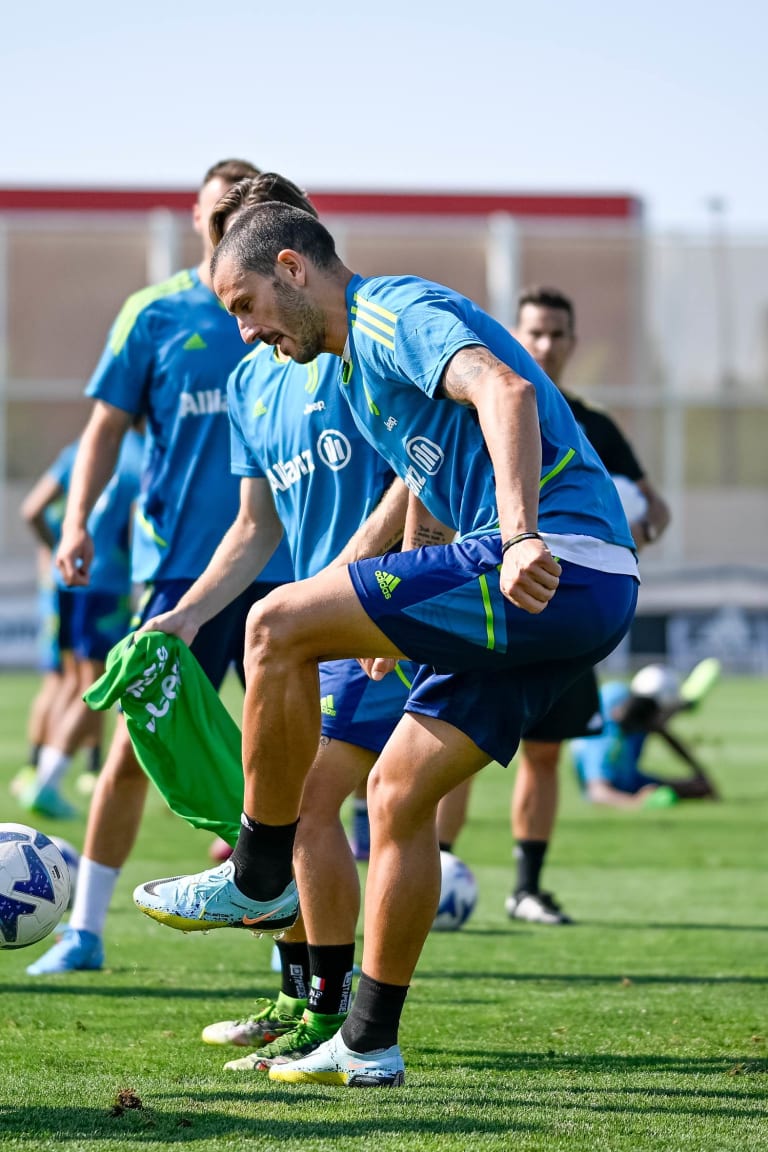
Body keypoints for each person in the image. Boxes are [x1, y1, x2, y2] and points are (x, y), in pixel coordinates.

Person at [133, 199, 640, 1087]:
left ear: (293, 269)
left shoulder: (390, 312)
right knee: (399, 795)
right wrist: (374, 606)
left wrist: (520, 534)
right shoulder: (360, 381)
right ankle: (369, 1041)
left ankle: (257, 872)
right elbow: (431, 481)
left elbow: (504, 391)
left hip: (558, 561)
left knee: (269, 620)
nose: (246, 332)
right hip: (564, 588)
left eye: (245, 303)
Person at [134, 172, 420, 1072]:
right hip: (305, 638)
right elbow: (255, 529)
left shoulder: (358, 344)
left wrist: (352, 579)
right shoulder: (257, 378)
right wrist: (179, 617)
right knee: (294, 816)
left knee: (303, 808)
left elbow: (423, 470)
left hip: (379, 627)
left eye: (237, 234)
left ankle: (340, 1019)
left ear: (285, 253)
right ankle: (312, 1006)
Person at [25, 157, 296, 975]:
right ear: (197, 220)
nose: (229, 235)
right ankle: (84, 931)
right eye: (218, 220)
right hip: (184, 572)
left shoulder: (303, 314)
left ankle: (308, 968)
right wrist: (76, 521)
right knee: (131, 751)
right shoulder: (156, 314)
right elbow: (104, 428)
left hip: (298, 571)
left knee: (310, 768)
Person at [437, 285, 671, 925]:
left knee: (545, 752)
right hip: (491, 598)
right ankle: (436, 869)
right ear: (515, 333)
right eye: (533, 332)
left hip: (568, 608)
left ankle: (526, 889)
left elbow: (657, 509)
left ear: (570, 342)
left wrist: (630, 531)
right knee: (451, 743)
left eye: (556, 334)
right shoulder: (480, 404)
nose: (544, 344)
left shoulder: (593, 425)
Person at [15, 431, 143, 816]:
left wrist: (56, 548)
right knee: (95, 685)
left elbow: (33, 508)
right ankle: (47, 782)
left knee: (67, 680)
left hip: (67, 577)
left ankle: (38, 769)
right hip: (105, 586)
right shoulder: (143, 453)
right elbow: (140, 527)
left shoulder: (79, 449)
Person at [571, 664, 718, 806]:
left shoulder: (620, 696)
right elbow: (598, 793)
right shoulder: (605, 738)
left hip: (632, 780)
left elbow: (664, 733)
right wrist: (636, 802)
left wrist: (700, 774)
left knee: (697, 788)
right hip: (619, 787)